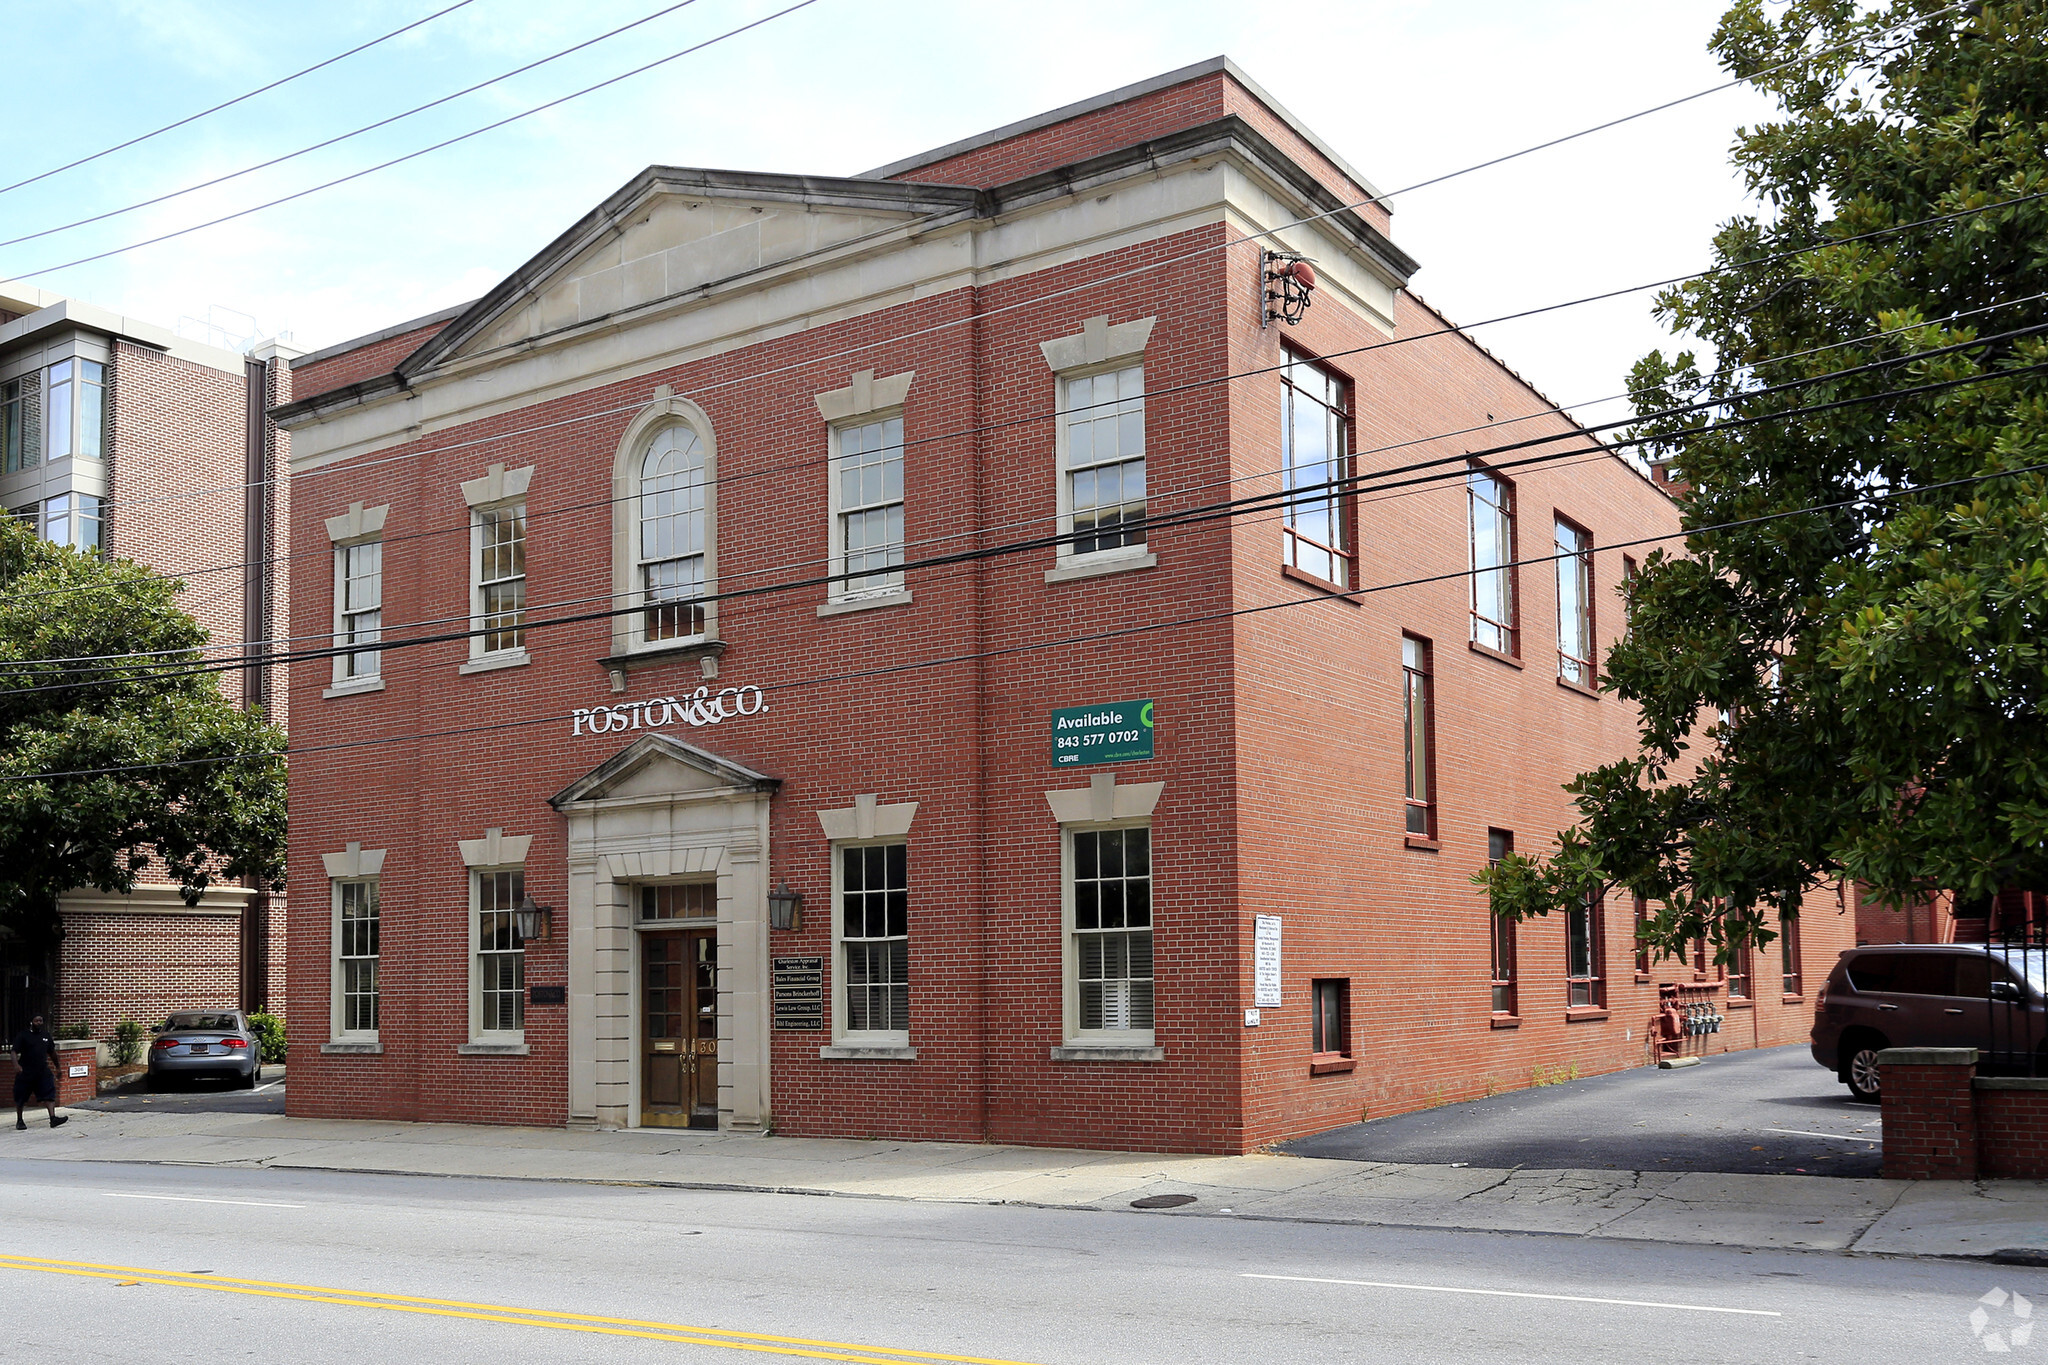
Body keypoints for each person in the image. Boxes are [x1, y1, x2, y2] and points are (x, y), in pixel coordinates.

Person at [12, 1015, 68, 1131]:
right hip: (25, 1071)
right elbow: (14, 1051)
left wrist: (58, 1067)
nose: (39, 1022)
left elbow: (52, 1053)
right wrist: (16, 1065)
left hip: (42, 1071)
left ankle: (53, 1118)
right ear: (31, 1022)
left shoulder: (46, 1036)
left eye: (41, 1021)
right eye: (36, 1020)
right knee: (21, 1096)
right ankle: (20, 1120)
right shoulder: (23, 1035)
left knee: (49, 1092)